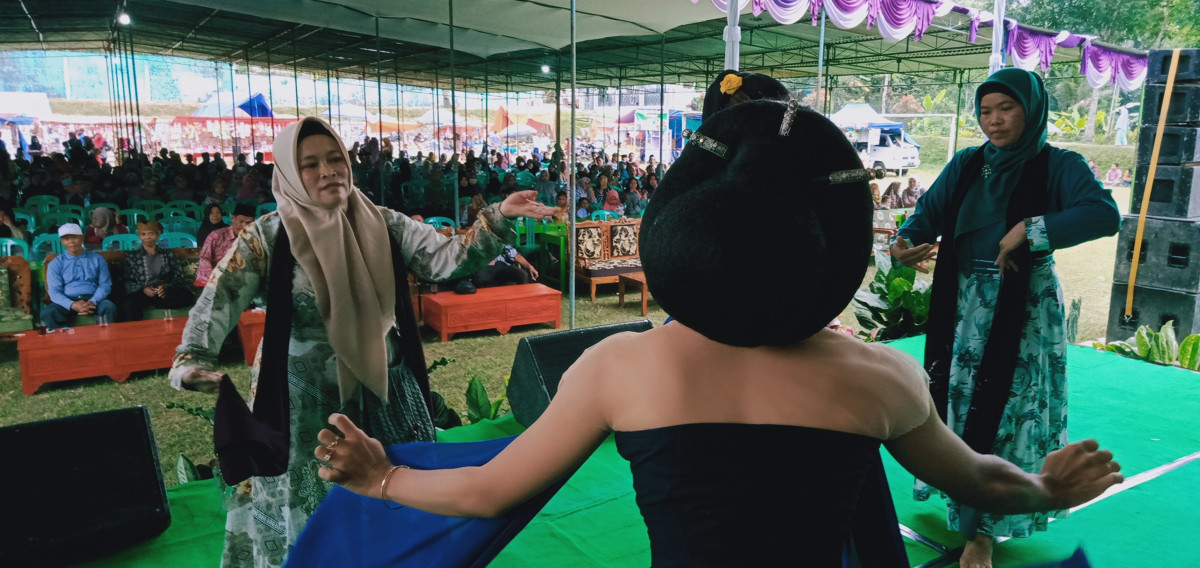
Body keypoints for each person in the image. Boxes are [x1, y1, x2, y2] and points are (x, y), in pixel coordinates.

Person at [314, 99, 1123, 567]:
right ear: (827, 254)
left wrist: (381, 478)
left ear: (684, 236)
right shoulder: (880, 379)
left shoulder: (617, 368)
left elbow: (487, 489)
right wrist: (1047, 490)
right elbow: (983, 480)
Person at [168, 117, 554, 567]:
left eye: (335, 159)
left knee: (394, 497)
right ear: (290, 175)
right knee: (311, 510)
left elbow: (448, 258)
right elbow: (218, 300)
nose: (329, 170)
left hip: (385, 395)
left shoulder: (383, 222)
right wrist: (192, 358)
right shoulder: (268, 237)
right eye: (310, 164)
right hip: (301, 407)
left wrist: (499, 216)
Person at [890, 68, 1122, 568]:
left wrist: (1031, 228)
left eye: (1006, 109)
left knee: (1007, 408)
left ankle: (984, 530)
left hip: (1024, 309)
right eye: (985, 110)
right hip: (963, 302)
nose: (993, 121)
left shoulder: (1058, 165)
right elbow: (924, 216)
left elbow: (1104, 213)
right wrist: (903, 242)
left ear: (1031, 109)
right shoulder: (967, 164)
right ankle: (964, 502)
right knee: (956, 397)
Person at [41, 223, 117, 330]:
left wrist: (92, 302)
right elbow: (54, 291)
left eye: (74, 237)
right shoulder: (55, 263)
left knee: (108, 307)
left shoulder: (97, 259)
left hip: (94, 298)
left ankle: (106, 341)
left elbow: (105, 285)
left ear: (82, 238)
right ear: (62, 241)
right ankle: (62, 344)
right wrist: (72, 304)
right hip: (67, 300)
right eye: (66, 239)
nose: (71, 241)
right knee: (48, 312)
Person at [120, 220, 194, 321]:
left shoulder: (168, 254)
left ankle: (156, 304)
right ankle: (138, 333)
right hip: (142, 293)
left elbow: (178, 276)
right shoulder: (132, 256)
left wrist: (166, 287)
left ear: (158, 234)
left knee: (187, 296)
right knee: (129, 305)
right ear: (139, 235)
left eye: (151, 234)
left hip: (164, 292)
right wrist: (144, 289)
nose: (147, 237)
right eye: (143, 234)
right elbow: (127, 281)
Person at [194, 203, 256, 287]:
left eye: (248, 222)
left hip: (244, 283)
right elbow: (204, 260)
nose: (244, 226)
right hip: (217, 283)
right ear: (233, 218)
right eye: (241, 221)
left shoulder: (254, 239)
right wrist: (213, 284)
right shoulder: (216, 236)